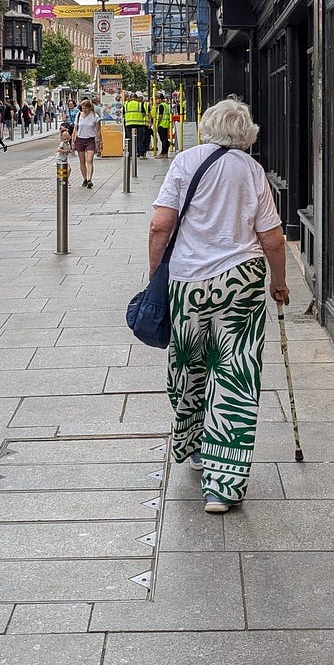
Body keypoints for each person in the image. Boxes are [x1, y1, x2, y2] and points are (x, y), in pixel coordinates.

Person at [147, 98, 288, 513]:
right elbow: (273, 238)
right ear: (246, 134)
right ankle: (223, 486)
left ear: (208, 126)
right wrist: (279, 281)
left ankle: (194, 445)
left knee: (187, 366)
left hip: (188, 281)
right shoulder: (252, 170)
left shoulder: (185, 161)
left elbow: (159, 225)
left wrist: (156, 277)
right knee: (235, 374)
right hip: (241, 281)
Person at [72, 98, 100, 188]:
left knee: (90, 160)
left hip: (90, 140)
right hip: (80, 139)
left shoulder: (95, 116)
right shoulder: (78, 115)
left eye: (86, 108)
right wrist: (73, 140)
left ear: (90, 108)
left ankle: (89, 179)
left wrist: (99, 141)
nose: (84, 110)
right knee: (82, 161)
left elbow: (98, 130)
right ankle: (84, 178)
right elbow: (75, 129)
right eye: (83, 108)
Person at [124, 91, 150, 159]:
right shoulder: (139, 104)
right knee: (140, 140)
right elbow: (144, 114)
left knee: (130, 139)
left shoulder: (126, 104)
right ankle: (141, 154)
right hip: (139, 124)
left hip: (129, 124)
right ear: (136, 98)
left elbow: (123, 114)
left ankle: (131, 155)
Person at [153, 93, 173, 159]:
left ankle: (163, 153)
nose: (156, 100)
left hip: (161, 124)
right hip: (166, 124)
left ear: (160, 99)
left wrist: (158, 123)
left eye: (157, 99)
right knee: (165, 139)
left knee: (163, 140)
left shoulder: (161, 105)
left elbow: (160, 116)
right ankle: (165, 153)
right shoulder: (166, 105)